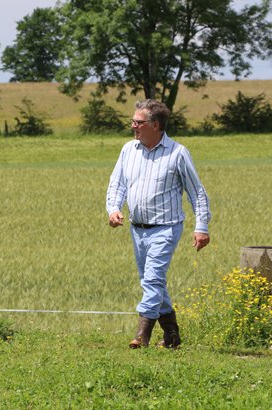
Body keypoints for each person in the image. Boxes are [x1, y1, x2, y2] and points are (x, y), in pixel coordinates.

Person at [106, 99, 211, 349]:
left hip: (166, 228)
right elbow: (117, 183)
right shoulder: (128, 150)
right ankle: (172, 335)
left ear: (155, 125)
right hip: (137, 229)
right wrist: (113, 209)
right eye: (133, 121)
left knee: (152, 280)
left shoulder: (178, 153)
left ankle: (142, 335)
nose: (133, 126)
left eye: (138, 122)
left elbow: (196, 192)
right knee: (153, 281)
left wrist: (201, 226)